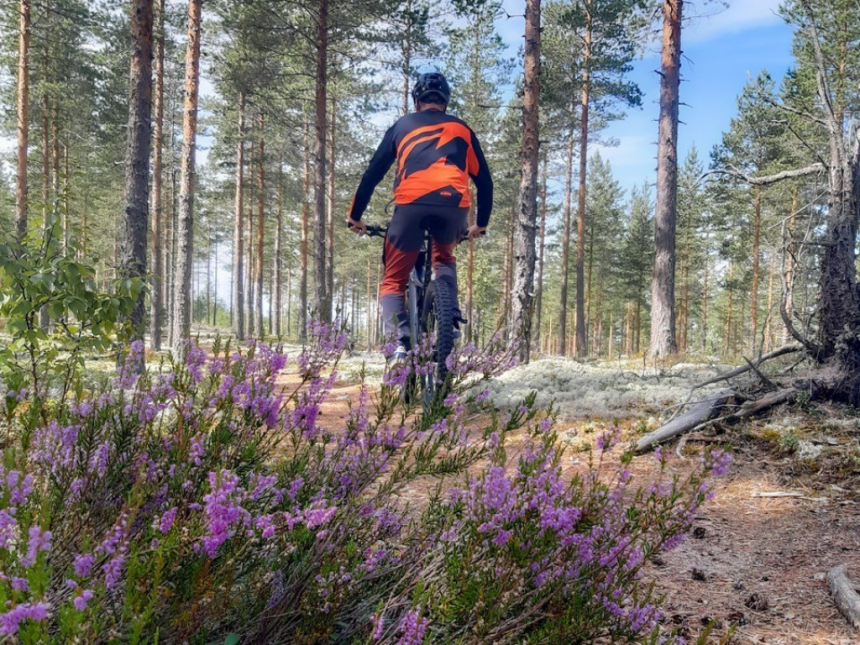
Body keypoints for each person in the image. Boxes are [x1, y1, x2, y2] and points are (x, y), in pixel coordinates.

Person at [346, 71, 493, 364]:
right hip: (453, 206)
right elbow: (485, 181)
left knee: (393, 281)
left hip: (410, 205)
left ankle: (398, 345)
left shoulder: (402, 125)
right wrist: (481, 223)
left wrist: (355, 216)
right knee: (444, 259)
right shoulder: (462, 129)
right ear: (445, 103)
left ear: (417, 102)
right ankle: (448, 315)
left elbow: (372, 175)